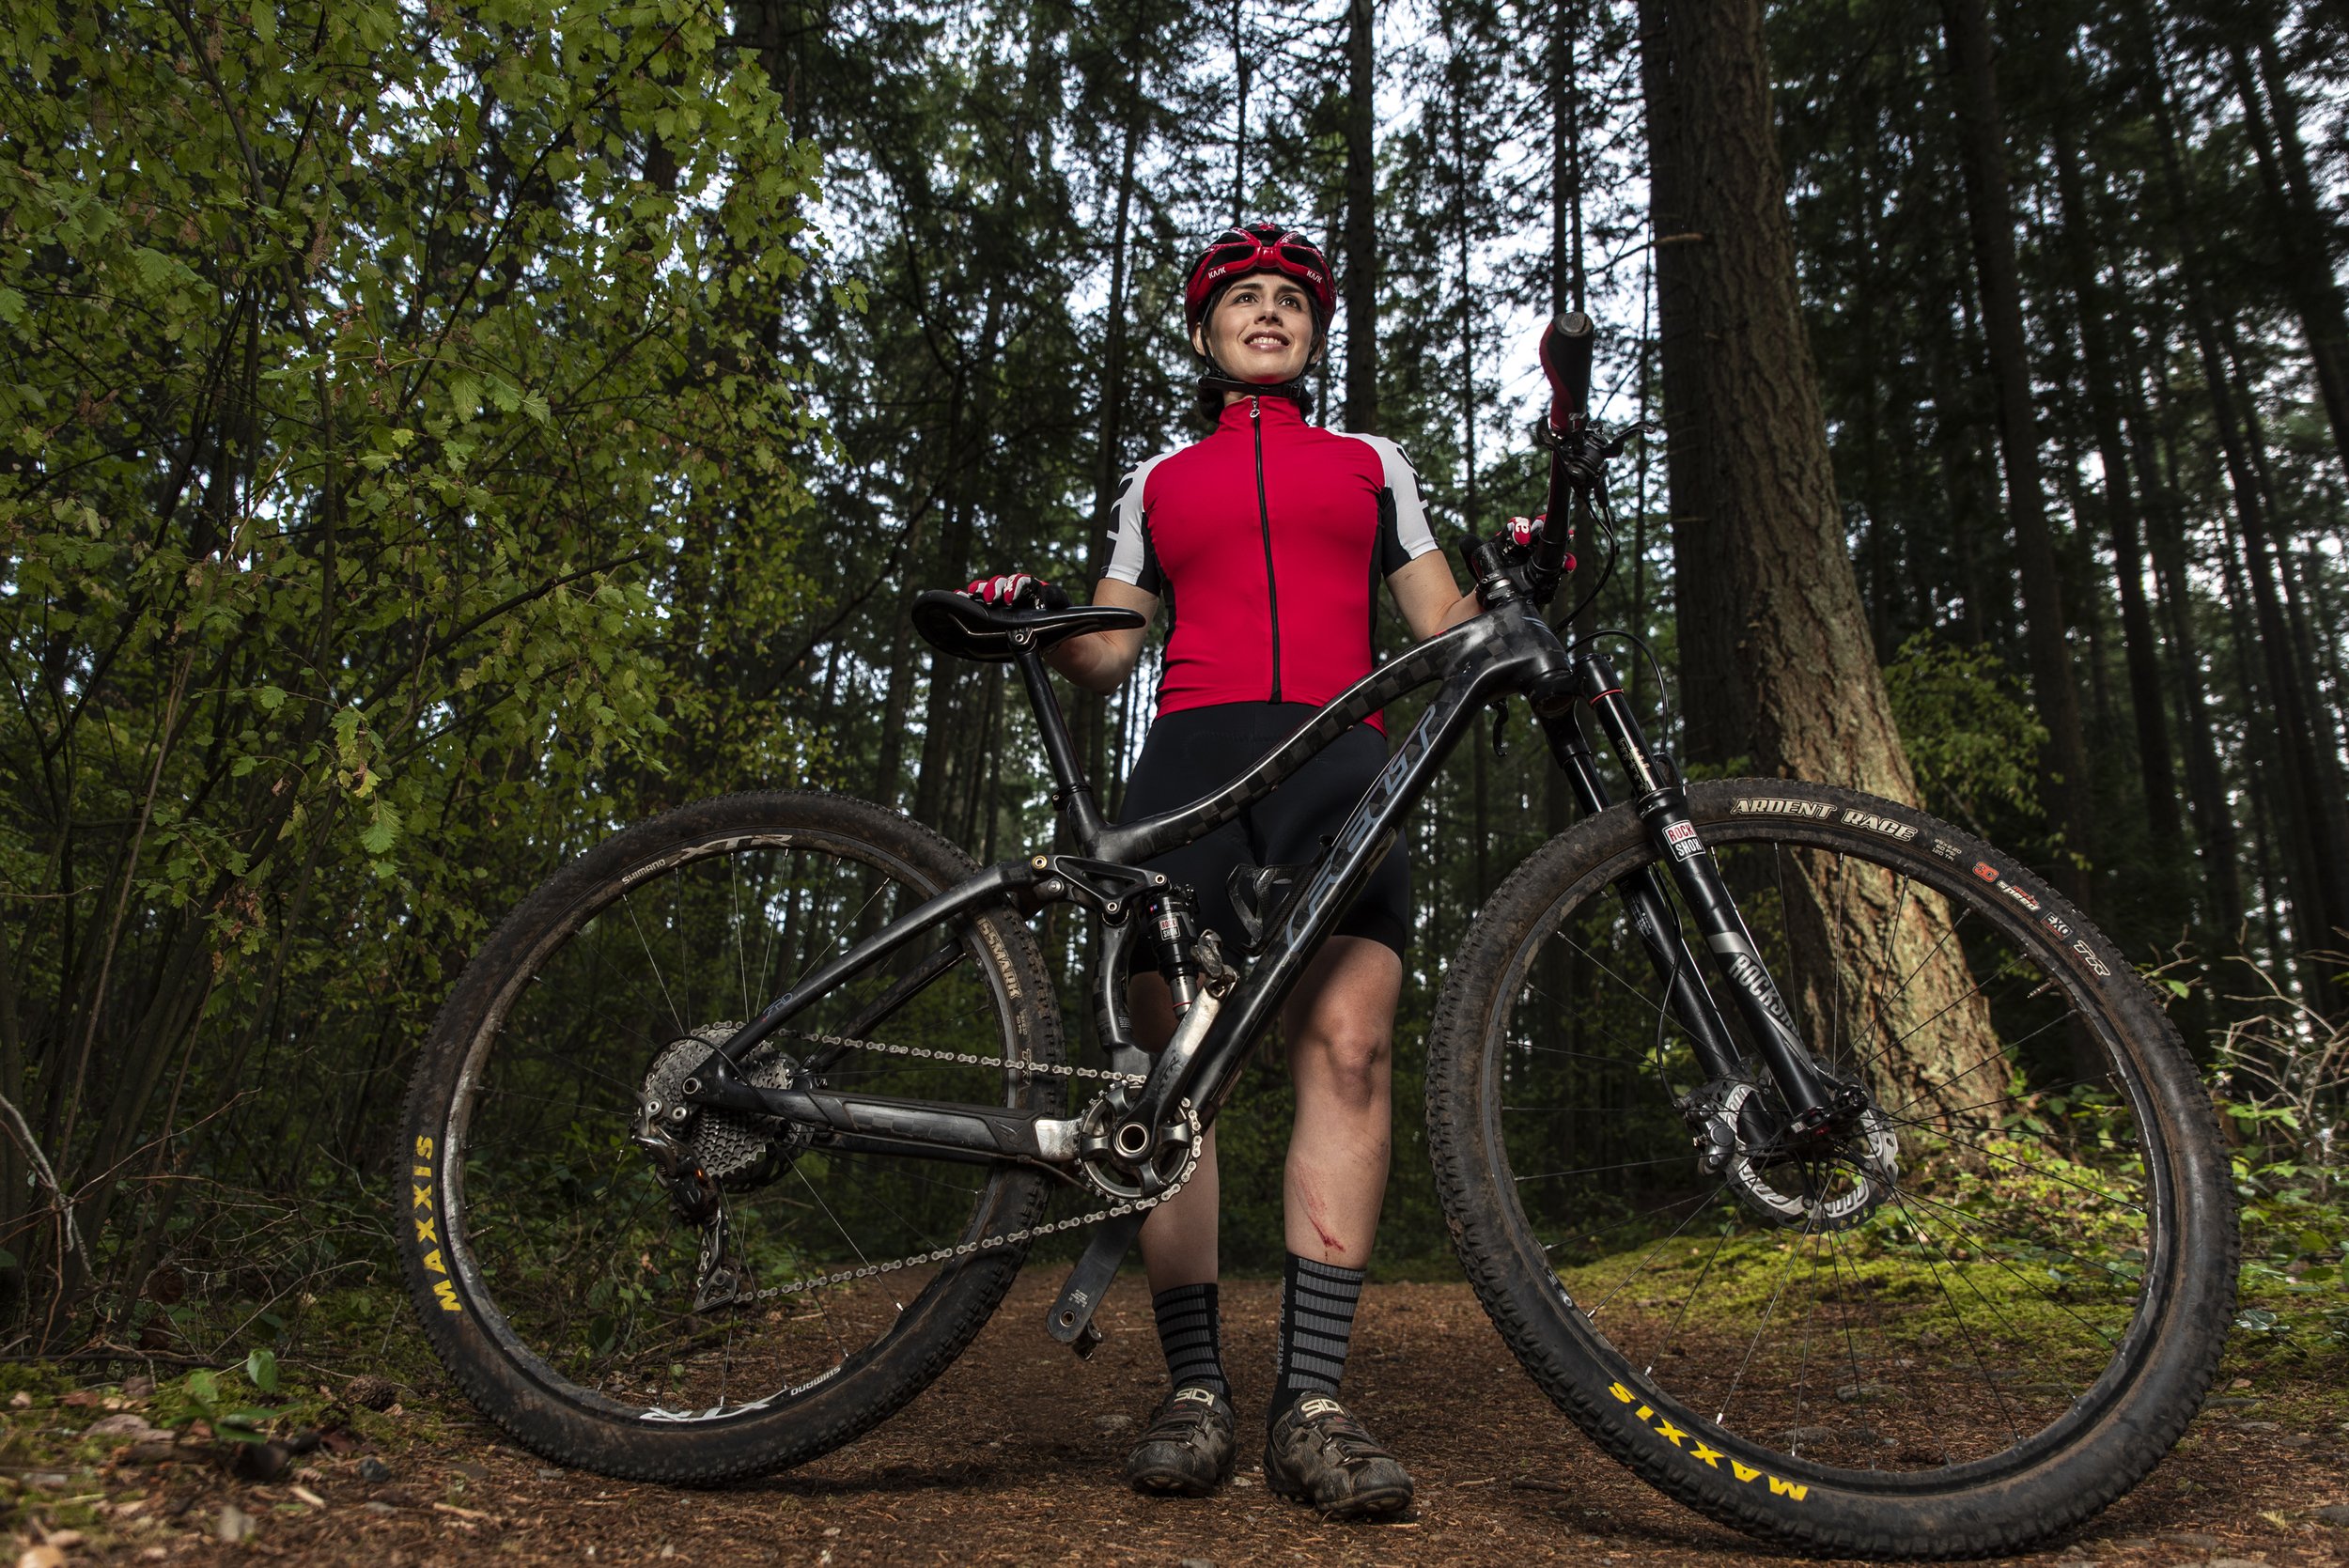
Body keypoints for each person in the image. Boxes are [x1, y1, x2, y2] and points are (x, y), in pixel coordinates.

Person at [962, 222, 1484, 1520]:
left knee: (1350, 1048)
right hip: (1191, 766)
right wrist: (1042, 618)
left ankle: (1310, 1397)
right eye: (1242, 300)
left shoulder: (1374, 464)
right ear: (1205, 336)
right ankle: (1195, 1389)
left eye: (1289, 302)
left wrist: (1528, 587)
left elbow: (1446, 627)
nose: (1267, 313)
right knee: (1168, 1070)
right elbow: (1110, 649)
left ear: (1311, 335)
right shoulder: (1161, 479)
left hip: (1341, 761)